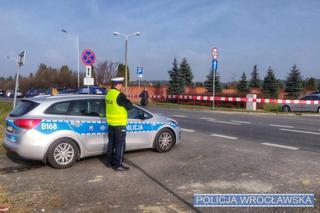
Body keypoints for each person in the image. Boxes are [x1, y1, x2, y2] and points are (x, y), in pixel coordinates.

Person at [105, 77, 133, 171]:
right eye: (121, 84)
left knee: (111, 144)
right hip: (120, 125)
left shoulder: (108, 94)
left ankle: (109, 162)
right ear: (118, 85)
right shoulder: (119, 95)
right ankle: (118, 165)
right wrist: (126, 97)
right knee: (120, 145)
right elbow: (130, 106)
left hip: (111, 124)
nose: (122, 86)